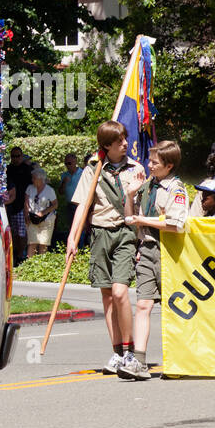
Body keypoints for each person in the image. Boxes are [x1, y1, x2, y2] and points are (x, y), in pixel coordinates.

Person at [71, 120, 147, 376]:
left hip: (125, 233)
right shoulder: (92, 171)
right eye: (120, 141)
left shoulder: (136, 169)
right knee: (107, 296)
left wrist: (142, 238)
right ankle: (116, 352)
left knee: (120, 293)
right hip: (100, 233)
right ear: (106, 146)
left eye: (125, 139)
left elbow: (141, 208)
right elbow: (82, 205)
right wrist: (72, 238)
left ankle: (129, 351)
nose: (126, 144)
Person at [121, 140, 188, 380]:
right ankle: (139, 361)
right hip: (147, 250)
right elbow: (130, 217)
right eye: (150, 161)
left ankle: (181, 359)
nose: (149, 165)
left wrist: (142, 221)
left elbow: (175, 224)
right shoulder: (146, 187)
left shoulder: (176, 189)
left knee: (174, 308)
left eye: (155, 162)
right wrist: (129, 195)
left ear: (169, 165)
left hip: (169, 253)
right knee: (142, 304)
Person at [5, 146, 32, 264]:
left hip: (23, 205)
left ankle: (21, 255)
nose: (15, 158)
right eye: (13, 156)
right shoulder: (8, 169)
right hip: (10, 206)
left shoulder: (27, 169)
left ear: (22, 156)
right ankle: (15, 255)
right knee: (12, 233)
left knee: (22, 233)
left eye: (18, 156)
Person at [24, 168, 58, 257]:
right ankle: (30, 264)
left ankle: (41, 266)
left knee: (43, 244)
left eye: (34, 178)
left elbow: (55, 205)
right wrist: (26, 216)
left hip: (47, 220)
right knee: (32, 243)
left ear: (40, 179)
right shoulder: (30, 188)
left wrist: (43, 212)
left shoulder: (50, 190)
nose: (32, 180)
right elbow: (26, 203)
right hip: (32, 219)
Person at [55, 152, 82, 247]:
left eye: (69, 163)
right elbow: (61, 192)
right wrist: (64, 182)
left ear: (75, 161)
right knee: (72, 228)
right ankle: (74, 248)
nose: (68, 166)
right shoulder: (64, 175)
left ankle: (81, 248)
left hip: (80, 205)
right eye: (66, 163)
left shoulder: (82, 173)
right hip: (70, 205)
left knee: (81, 228)